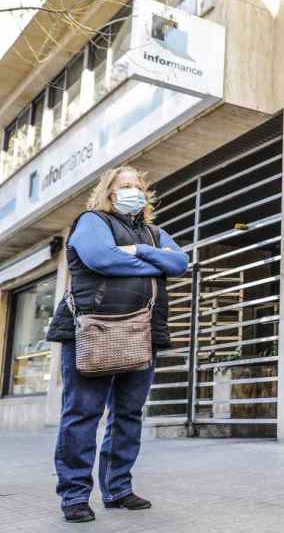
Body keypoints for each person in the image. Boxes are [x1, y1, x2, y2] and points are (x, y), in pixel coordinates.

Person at [45, 166, 188, 523]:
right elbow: (101, 258)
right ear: (109, 191)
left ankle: (118, 488)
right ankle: (76, 495)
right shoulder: (92, 220)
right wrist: (154, 266)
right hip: (94, 329)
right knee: (82, 414)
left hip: (143, 332)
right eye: (125, 186)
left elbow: (180, 263)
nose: (133, 191)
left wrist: (138, 250)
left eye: (138, 186)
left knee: (127, 415)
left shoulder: (154, 234)